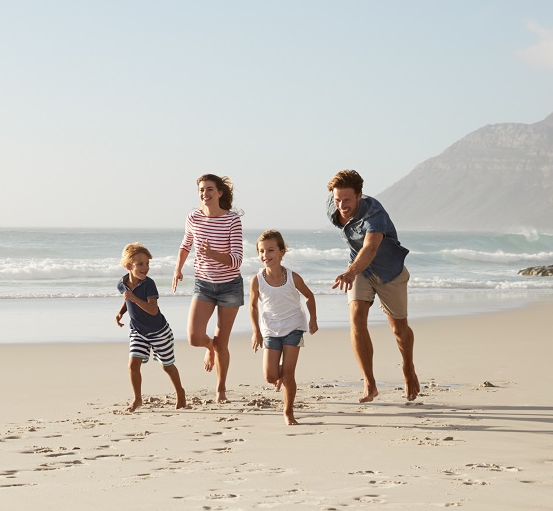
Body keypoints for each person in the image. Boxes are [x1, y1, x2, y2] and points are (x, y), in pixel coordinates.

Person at [326, 169, 420, 403]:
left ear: (360, 196)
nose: (341, 205)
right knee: (356, 318)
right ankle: (369, 382)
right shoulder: (333, 206)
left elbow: (370, 248)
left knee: (399, 329)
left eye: (347, 199)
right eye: (337, 199)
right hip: (360, 270)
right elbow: (359, 251)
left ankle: (408, 368)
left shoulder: (375, 213)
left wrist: (349, 271)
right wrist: (353, 270)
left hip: (389, 271)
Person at [171, 174, 243, 403]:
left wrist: (212, 254)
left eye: (209, 189)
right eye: (201, 190)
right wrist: (177, 269)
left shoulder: (232, 220)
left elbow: (237, 260)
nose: (205, 193)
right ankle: (209, 348)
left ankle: (221, 389)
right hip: (203, 284)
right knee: (194, 337)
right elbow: (186, 244)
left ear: (220, 193)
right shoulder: (193, 217)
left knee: (223, 343)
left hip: (230, 286)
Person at [248, 230, 318, 425]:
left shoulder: (292, 277)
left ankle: (288, 413)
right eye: (261, 251)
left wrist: (313, 320)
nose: (265, 255)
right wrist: (256, 332)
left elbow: (309, 296)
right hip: (270, 329)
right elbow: (253, 306)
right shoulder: (257, 280)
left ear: (282, 252)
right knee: (270, 375)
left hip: (294, 326)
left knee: (288, 375)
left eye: (270, 250)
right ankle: (280, 377)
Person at [116, 243, 187, 412]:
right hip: (138, 331)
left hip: (159, 331)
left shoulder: (149, 284)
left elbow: (153, 310)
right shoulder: (122, 284)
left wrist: (133, 299)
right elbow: (127, 300)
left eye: (147, 263)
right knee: (133, 364)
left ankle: (180, 392)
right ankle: (137, 399)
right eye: (140, 264)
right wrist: (120, 313)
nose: (145, 267)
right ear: (128, 266)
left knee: (167, 365)